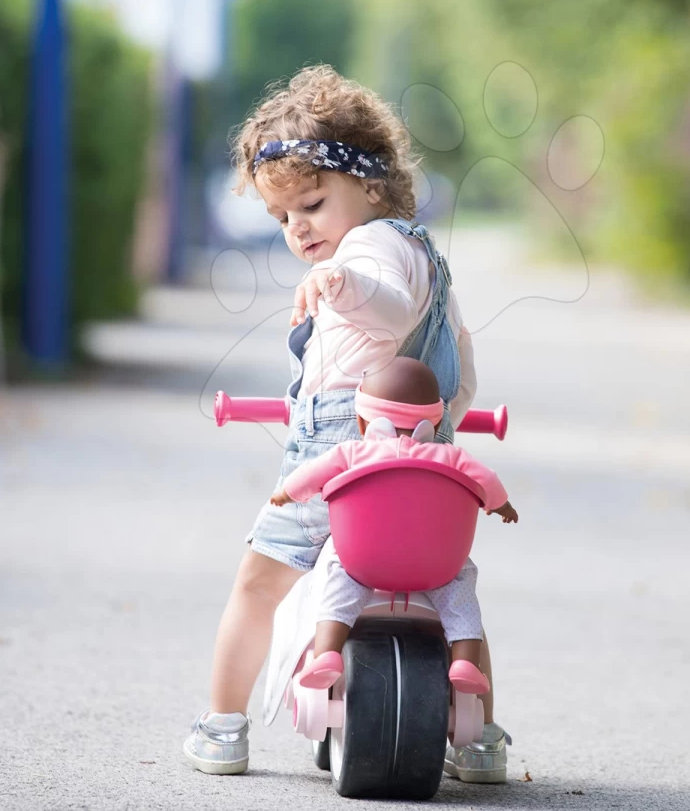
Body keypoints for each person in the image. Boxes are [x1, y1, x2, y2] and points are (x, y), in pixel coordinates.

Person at [183, 65, 512, 783]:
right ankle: (481, 741)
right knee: (450, 588)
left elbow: (385, 306)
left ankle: (223, 726)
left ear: (369, 186)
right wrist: (448, 419)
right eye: (283, 218)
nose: (299, 228)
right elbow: (458, 364)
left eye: (311, 203)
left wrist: (344, 284)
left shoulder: (368, 253)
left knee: (257, 584)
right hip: (429, 461)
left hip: (345, 452)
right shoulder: (430, 257)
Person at [272, 358, 518, 694]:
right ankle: (464, 660)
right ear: (434, 421)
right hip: (437, 565)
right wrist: (500, 504)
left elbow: (311, 475)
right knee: (461, 587)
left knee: (336, 574)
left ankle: (328, 653)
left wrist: (287, 493)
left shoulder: (352, 452)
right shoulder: (450, 457)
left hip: (364, 562)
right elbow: (486, 480)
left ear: (362, 421)